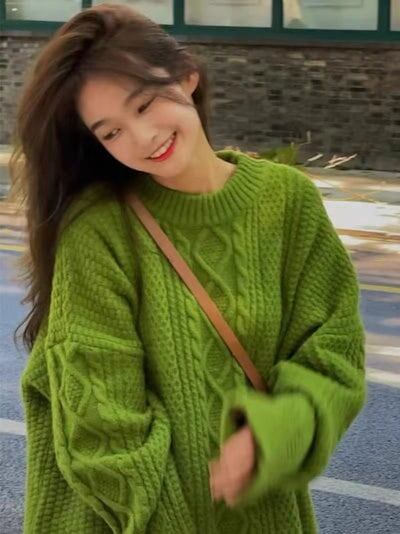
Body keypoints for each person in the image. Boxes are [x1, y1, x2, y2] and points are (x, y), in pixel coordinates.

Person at [11, 3, 366, 533]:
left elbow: (332, 349)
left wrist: (275, 431)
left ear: (186, 75)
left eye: (145, 104)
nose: (142, 137)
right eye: (111, 133)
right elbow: (101, 425)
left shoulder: (288, 201)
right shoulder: (99, 229)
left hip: (264, 516)